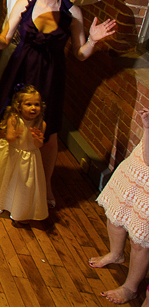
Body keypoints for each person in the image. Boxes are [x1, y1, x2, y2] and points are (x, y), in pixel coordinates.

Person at [0, 0, 116, 206]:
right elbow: (4, 41)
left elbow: (79, 55)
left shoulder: (72, 12)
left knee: (48, 136)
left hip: (50, 76)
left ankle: (46, 184)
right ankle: (3, 186)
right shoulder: (23, 5)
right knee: (10, 130)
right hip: (20, 71)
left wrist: (93, 40)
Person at [89, 107, 149, 305]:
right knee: (115, 214)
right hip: (134, 170)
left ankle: (130, 288)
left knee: (139, 241)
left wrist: (148, 127)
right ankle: (116, 254)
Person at [0, 85, 48, 223]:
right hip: (11, 154)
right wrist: (15, 134)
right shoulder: (14, 119)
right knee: (5, 179)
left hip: (28, 158)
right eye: (29, 104)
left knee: (23, 185)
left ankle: (20, 210)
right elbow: (9, 138)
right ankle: (0, 201)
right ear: (19, 106)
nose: (33, 108)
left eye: (36, 104)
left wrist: (38, 140)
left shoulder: (40, 124)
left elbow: (38, 145)